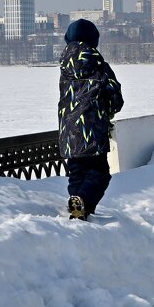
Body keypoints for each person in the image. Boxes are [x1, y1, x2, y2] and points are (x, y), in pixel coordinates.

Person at [58, 18, 124, 220]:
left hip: (69, 130)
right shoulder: (99, 66)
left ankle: (77, 204)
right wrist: (108, 110)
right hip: (92, 129)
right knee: (99, 172)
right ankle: (83, 202)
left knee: (77, 171)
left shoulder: (64, 68)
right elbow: (115, 98)